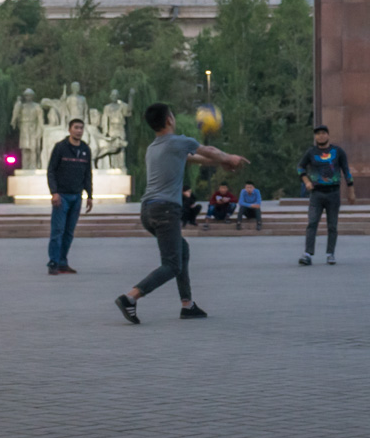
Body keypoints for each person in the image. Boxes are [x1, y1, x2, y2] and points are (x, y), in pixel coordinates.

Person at [114, 103, 247, 324]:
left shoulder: (155, 147)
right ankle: (130, 297)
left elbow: (194, 158)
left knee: (182, 250)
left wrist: (221, 162)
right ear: (169, 120)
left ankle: (187, 305)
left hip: (148, 211)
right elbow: (209, 151)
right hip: (166, 210)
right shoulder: (179, 141)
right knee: (172, 265)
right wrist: (229, 158)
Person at [298, 125, 355, 265]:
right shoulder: (311, 152)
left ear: (328, 135)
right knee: (312, 223)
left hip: (333, 193)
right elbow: (300, 167)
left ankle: (330, 253)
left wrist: (351, 189)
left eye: (323, 133)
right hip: (316, 193)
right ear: (315, 137)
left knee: (332, 225)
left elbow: (346, 170)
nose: (321, 136)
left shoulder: (337, 151)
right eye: (318, 134)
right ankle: (307, 254)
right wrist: (306, 181)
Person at [46, 117, 94, 275]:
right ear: (69, 130)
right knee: (57, 231)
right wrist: (54, 192)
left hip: (76, 196)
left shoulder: (85, 149)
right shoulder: (60, 147)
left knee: (69, 232)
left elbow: (88, 173)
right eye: (76, 127)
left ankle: (62, 262)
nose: (79, 130)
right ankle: (53, 262)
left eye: (81, 128)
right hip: (62, 196)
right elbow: (51, 170)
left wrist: (90, 195)